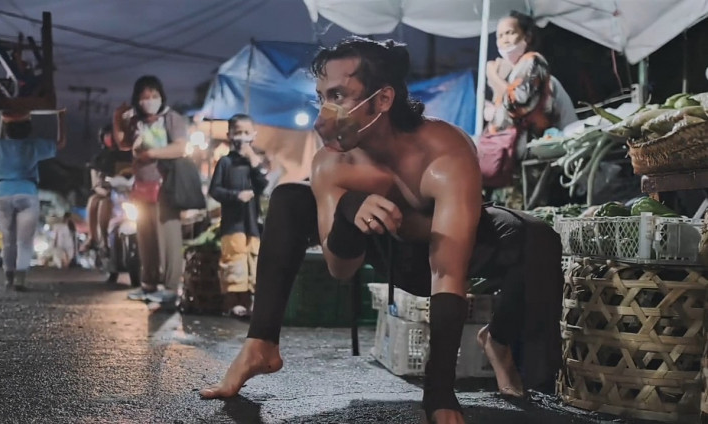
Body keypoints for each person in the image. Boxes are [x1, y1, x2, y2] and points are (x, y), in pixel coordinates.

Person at [199, 38, 564, 424]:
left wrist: (439, 392)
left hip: (446, 251)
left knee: (538, 237)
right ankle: (260, 346)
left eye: (339, 94)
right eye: (321, 95)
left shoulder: (445, 151)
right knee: (290, 196)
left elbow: (447, 271)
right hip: (386, 251)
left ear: (383, 99)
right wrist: (348, 212)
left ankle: (499, 339)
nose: (326, 110)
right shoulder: (331, 163)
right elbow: (341, 269)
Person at [484, 11, 577, 207]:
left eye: (510, 32)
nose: (504, 40)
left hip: (530, 163)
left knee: (527, 219)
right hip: (508, 163)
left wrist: (494, 77)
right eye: (499, 36)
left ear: (526, 36)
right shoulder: (514, 70)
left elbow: (518, 103)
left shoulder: (533, 61)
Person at [113, 75, 187, 308]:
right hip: (142, 186)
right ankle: (149, 283)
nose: (149, 101)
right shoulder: (136, 121)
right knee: (146, 236)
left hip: (166, 185)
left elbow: (180, 147)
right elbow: (124, 143)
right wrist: (118, 119)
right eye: (144, 97)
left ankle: (171, 287)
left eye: (154, 96)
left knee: (169, 237)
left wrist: (152, 154)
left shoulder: (172, 119)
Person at [0, 109, 66, 289]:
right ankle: (21, 277)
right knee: (25, 240)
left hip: (4, 194)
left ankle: (9, 276)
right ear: (28, 129)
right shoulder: (34, 145)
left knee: (8, 239)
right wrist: (61, 117)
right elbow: (61, 143)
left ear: (6, 130)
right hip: (28, 194)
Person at [208, 114, 268, 318]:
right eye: (238, 132)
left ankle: (252, 302)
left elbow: (263, 184)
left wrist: (253, 159)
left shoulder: (256, 161)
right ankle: (234, 303)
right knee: (234, 261)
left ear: (254, 135)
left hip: (253, 223)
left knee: (254, 261)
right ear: (229, 135)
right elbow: (214, 190)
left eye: (246, 132)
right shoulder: (225, 162)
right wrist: (235, 196)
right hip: (232, 223)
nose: (242, 136)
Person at [81, 124, 132, 254]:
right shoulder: (98, 159)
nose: (112, 138)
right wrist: (106, 192)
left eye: (114, 135)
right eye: (108, 135)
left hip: (130, 192)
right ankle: (97, 238)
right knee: (96, 201)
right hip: (109, 194)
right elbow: (96, 184)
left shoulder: (130, 154)